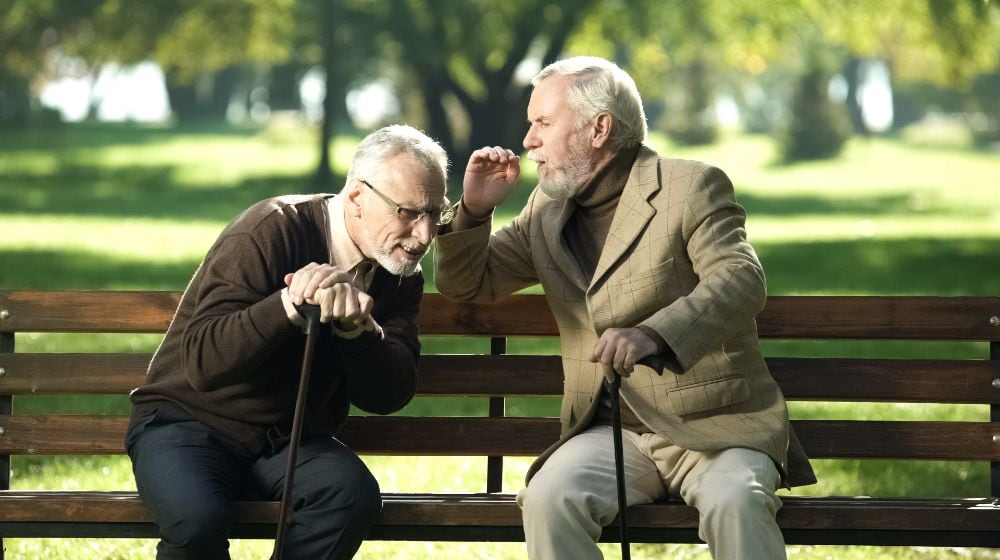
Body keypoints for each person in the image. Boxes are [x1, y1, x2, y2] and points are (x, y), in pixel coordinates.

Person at [434, 56, 816, 559]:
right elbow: (466, 284)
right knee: (549, 498)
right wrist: (475, 211)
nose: (528, 140)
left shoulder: (690, 187)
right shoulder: (544, 211)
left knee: (735, 502)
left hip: (716, 428)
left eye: (543, 123)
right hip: (609, 434)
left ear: (600, 128)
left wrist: (653, 335)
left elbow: (740, 278)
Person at [126, 124, 452, 560]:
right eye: (408, 212)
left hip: (286, 442)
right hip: (187, 424)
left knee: (349, 495)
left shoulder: (398, 271)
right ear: (357, 196)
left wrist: (359, 331)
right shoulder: (270, 229)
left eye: (435, 213)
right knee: (196, 521)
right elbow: (202, 362)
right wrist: (288, 305)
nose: (424, 236)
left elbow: (388, 395)